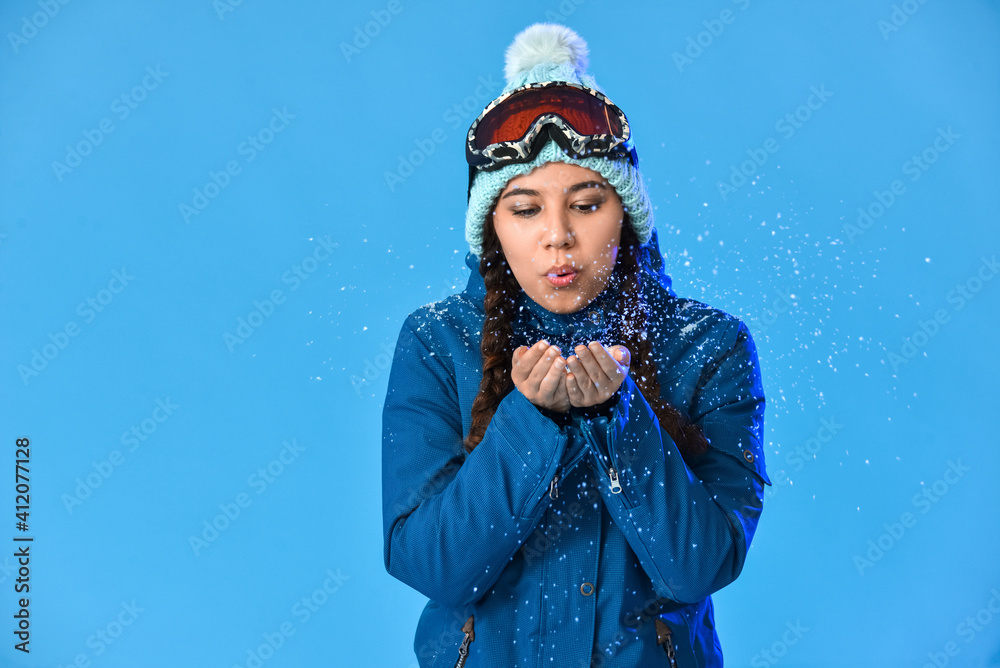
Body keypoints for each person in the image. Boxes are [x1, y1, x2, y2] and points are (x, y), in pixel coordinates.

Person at [382, 22, 772, 668]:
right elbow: (434, 567)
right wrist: (529, 424)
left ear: (626, 213)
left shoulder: (711, 345)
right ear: (491, 228)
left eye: (587, 205)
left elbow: (701, 565)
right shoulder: (434, 342)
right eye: (526, 209)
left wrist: (620, 422)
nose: (558, 237)